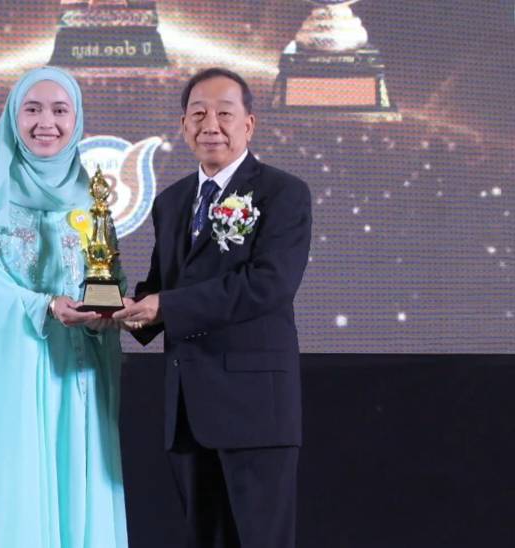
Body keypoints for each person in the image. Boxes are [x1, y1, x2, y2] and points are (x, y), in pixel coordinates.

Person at [114, 67, 312, 548]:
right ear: (183, 125)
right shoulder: (172, 201)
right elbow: (164, 285)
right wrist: (119, 310)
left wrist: (165, 306)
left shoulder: (282, 192)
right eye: (198, 114)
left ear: (249, 124)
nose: (211, 125)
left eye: (225, 113)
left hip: (255, 410)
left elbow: (269, 285)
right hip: (188, 411)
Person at [0, 67, 127, 548]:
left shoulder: (92, 204)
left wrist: (104, 317)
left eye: (60, 110)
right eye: (32, 109)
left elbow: (108, 282)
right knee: (18, 488)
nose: (46, 122)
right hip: (15, 378)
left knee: (77, 482)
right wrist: (46, 305)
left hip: (78, 376)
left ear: (77, 119)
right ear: (13, 118)